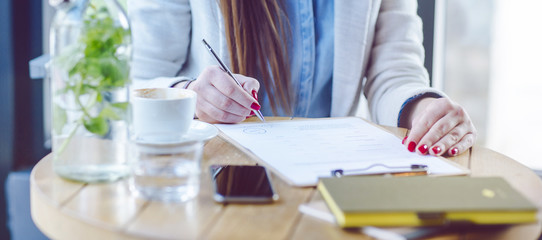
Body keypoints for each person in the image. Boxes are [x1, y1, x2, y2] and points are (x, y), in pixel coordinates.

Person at [127, 0, 476, 156]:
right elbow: (139, 80)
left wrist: (422, 107)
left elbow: (395, 70)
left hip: (332, 174)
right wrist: (191, 96)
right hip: (218, 176)